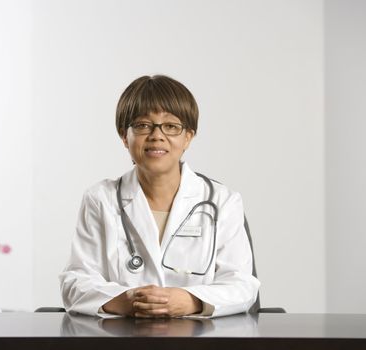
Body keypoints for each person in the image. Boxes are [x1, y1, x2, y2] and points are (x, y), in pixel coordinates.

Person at [59, 75, 260, 318]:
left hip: (201, 341)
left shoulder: (223, 201)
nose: (157, 135)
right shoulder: (101, 198)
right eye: (143, 125)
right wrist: (126, 300)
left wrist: (191, 301)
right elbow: (75, 282)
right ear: (125, 136)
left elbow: (242, 286)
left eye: (171, 126)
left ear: (188, 137)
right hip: (122, 340)